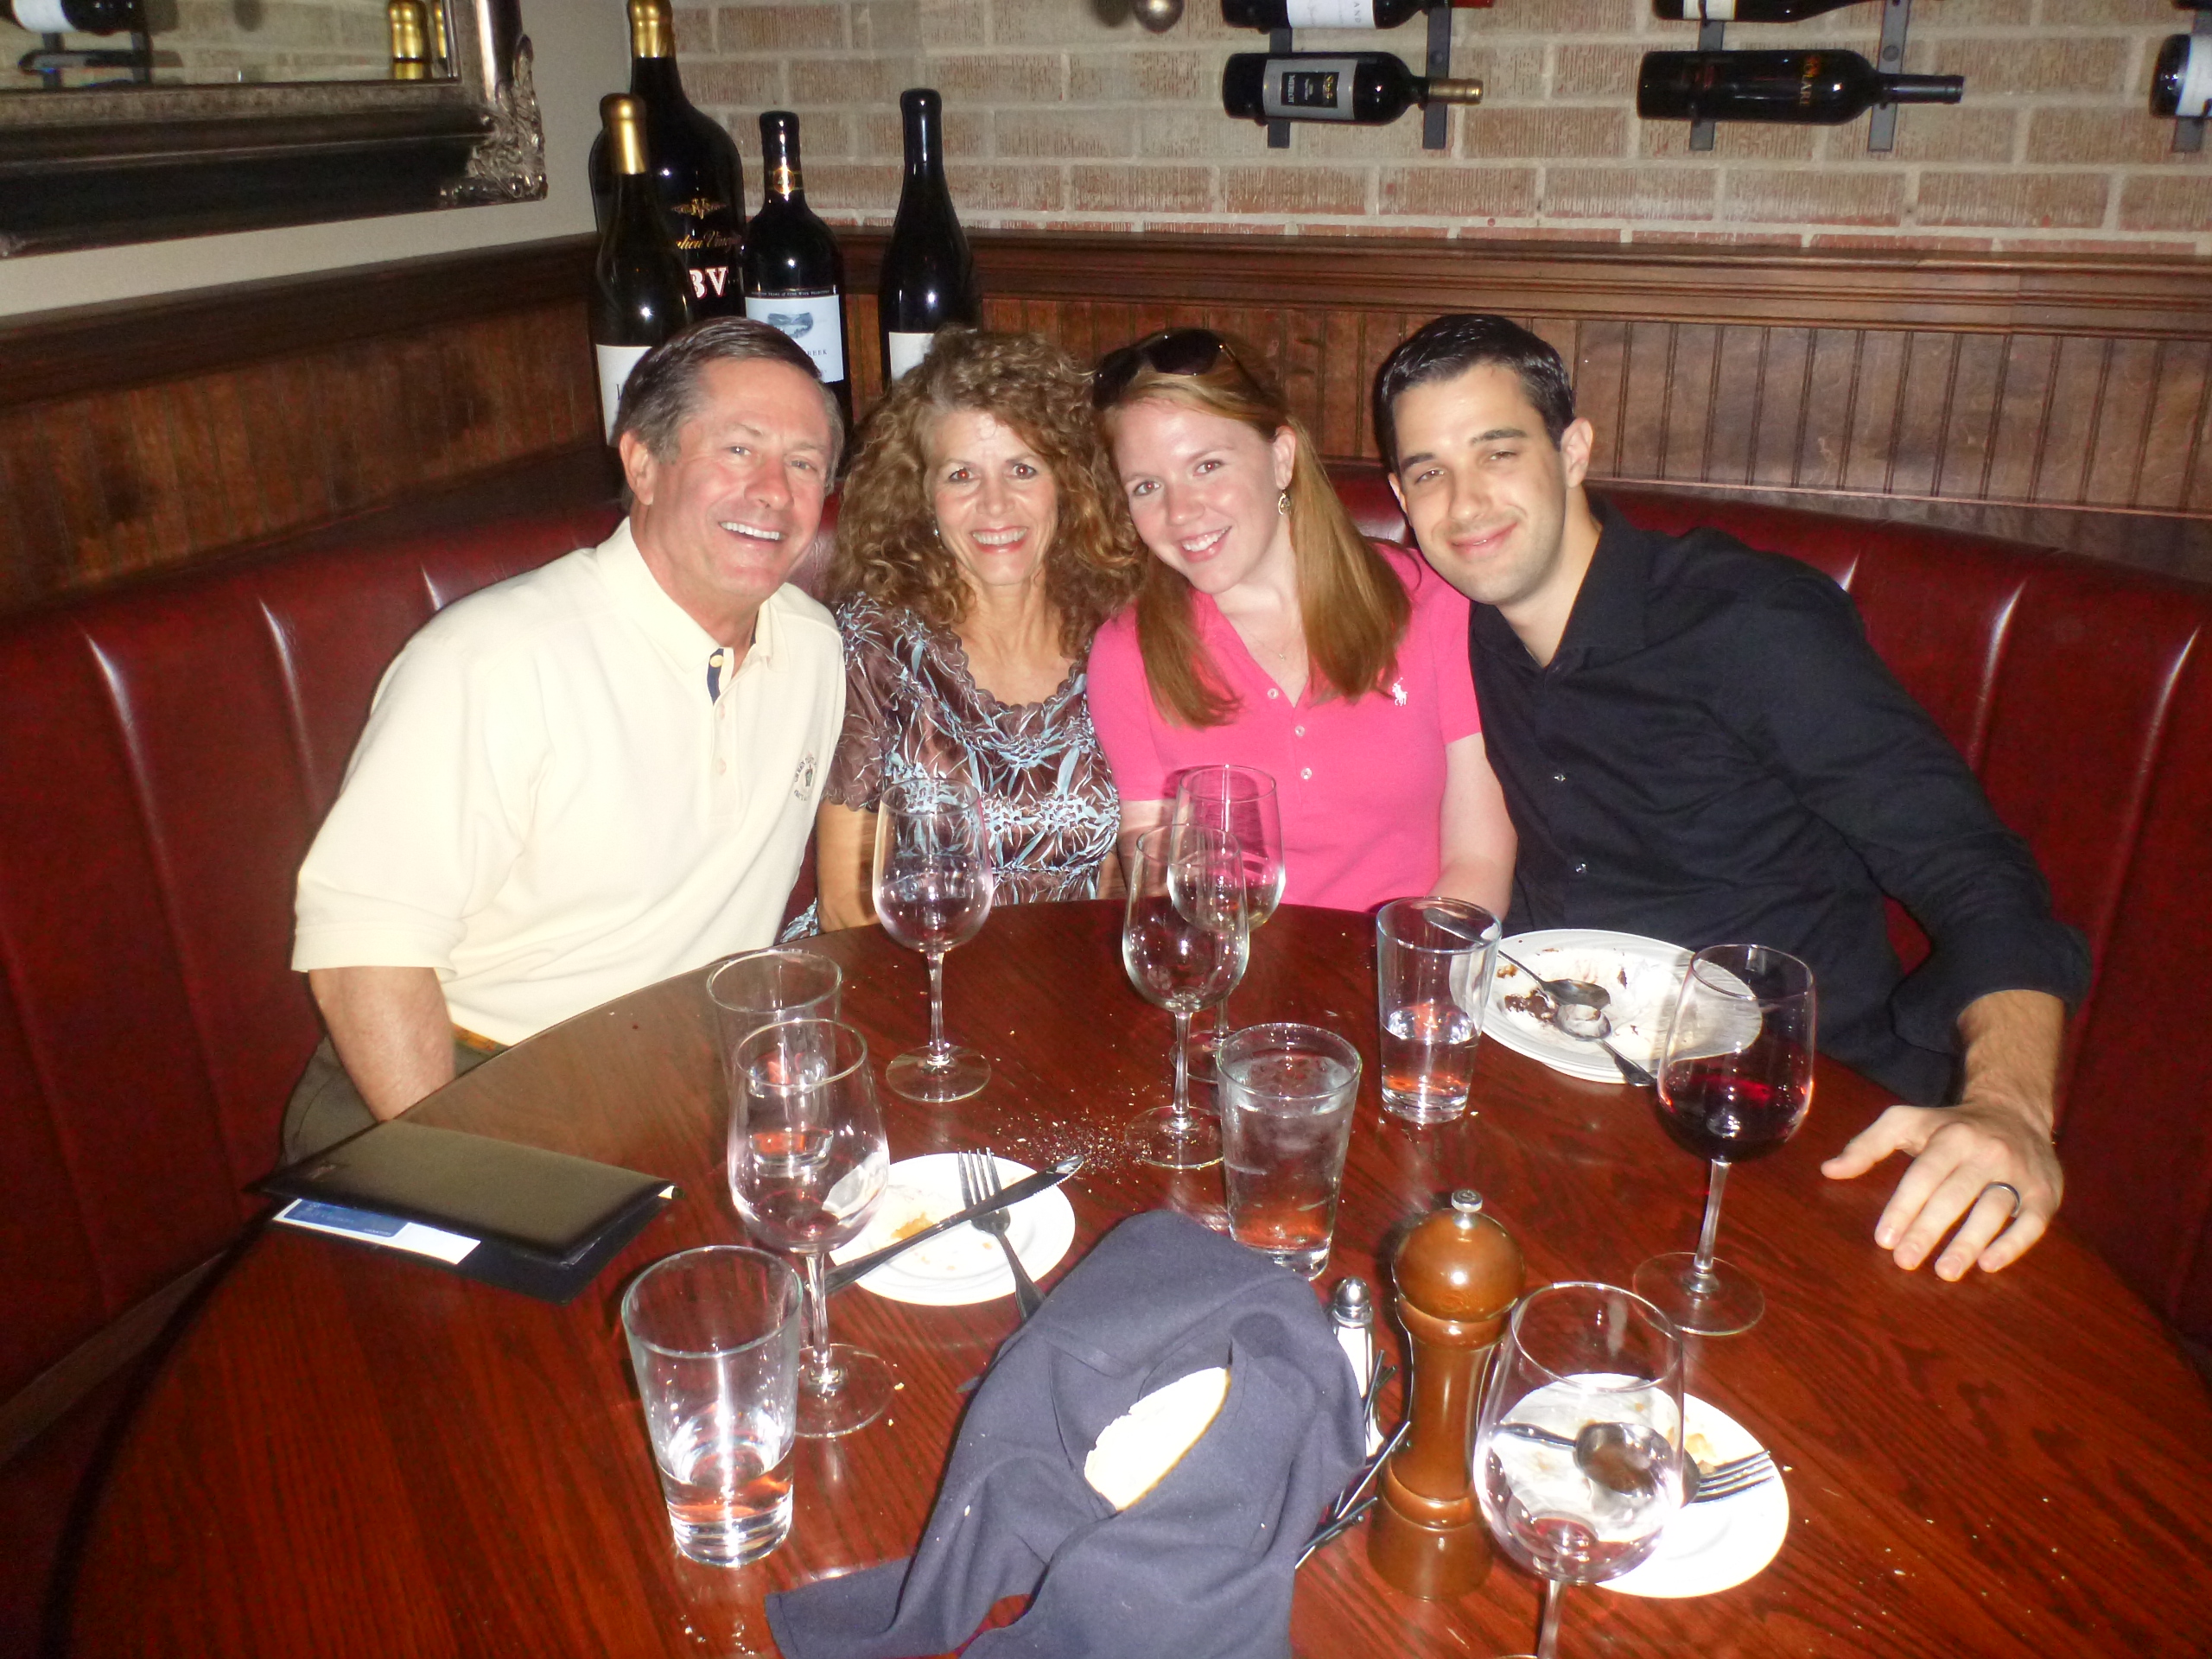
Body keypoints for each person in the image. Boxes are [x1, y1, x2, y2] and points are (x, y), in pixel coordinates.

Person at [1373, 312, 2092, 1282]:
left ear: (1573, 450)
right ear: (1400, 498)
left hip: (1801, 1118)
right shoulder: (1455, 629)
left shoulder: (1748, 624)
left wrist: (2006, 1105)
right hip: (1563, 1108)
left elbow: (1972, 867)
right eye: (1428, 472)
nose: (1464, 503)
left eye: (1498, 452)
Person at [283, 318, 846, 1161]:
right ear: (642, 465)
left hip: (681, 1084)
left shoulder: (813, 649)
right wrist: (452, 1167)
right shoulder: (495, 659)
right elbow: (365, 956)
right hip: (456, 1086)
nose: (773, 491)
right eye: (738, 450)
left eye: (803, 464)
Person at [1086, 327, 1515, 916]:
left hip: (1409, 961)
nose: (1180, 512)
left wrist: (1406, 969)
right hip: (1235, 964)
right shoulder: (1128, 650)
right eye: (1147, 486)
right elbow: (1155, 866)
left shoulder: (1433, 601)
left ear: (1280, 458)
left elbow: (1480, 858)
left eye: (1207, 465)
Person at [811, 329, 1147, 929]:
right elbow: (847, 904)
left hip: (1067, 973)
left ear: (1068, 484)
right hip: (908, 967)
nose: (995, 505)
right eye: (961, 475)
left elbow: (1133, 871)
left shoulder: (1117, 636)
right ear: (923, 497)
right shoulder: (876, 643)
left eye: (1022, 469)